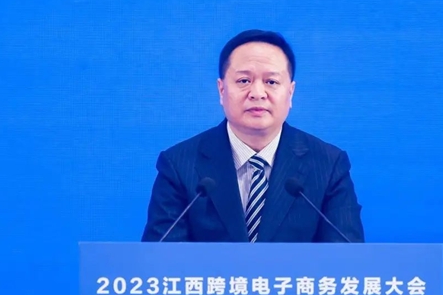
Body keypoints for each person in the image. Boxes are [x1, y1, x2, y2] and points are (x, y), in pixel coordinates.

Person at [141, 29, 364, 243]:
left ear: (290, 92)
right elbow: (161, 259)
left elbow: (347, 257)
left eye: (271, 82)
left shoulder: (328, 165)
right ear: (221, 90)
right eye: (244, 81)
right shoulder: (179, 165)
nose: (257, 93)